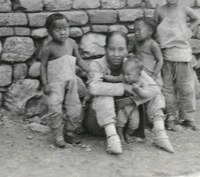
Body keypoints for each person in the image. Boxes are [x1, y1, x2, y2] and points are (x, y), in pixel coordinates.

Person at [85, 31, 174, 154]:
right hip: (99, 122)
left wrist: (137, 94)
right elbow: (93, 88)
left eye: (121, 50)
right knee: (103, 94)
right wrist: (124, 88)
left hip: (124, 120)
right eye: (111, 49)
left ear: (127, 50)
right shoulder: (97, 64)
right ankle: (112, 139)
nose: (116, 54)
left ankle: (160, 134)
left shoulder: (130, 65)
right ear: (105, 49)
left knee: (154, 94)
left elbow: (155, 89)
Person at [154, 0, 200, 131]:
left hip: (183, 56)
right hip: (166, 56)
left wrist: (188, 32)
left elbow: (196, 19)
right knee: (167, 88)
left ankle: (188, 117)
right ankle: (171, 117)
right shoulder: (160, 11)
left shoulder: (184, 10)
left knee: (186, 87)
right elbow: (154, 30)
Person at [40, 13, 91, 148]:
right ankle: (58, 136)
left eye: (65, 28)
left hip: (71, 81)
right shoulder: (48, 48)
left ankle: (70, 133)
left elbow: (79, 60)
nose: (63, 33)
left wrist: (89, 70)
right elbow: (43, 67)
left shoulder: (72, 44)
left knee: (74, 107)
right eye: (58, 30)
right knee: (55, 109)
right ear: (50, 32)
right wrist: (45, 84)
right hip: (55, 84)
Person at [133, 17, 163, 88]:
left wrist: (154, 75)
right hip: (141, 75)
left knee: (154, 93)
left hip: (151, 75)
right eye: (134, 30)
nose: (136, 33)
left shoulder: (153, 45)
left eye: (139, 30)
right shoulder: (136, 43)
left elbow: (160, 60)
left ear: (150, 31)